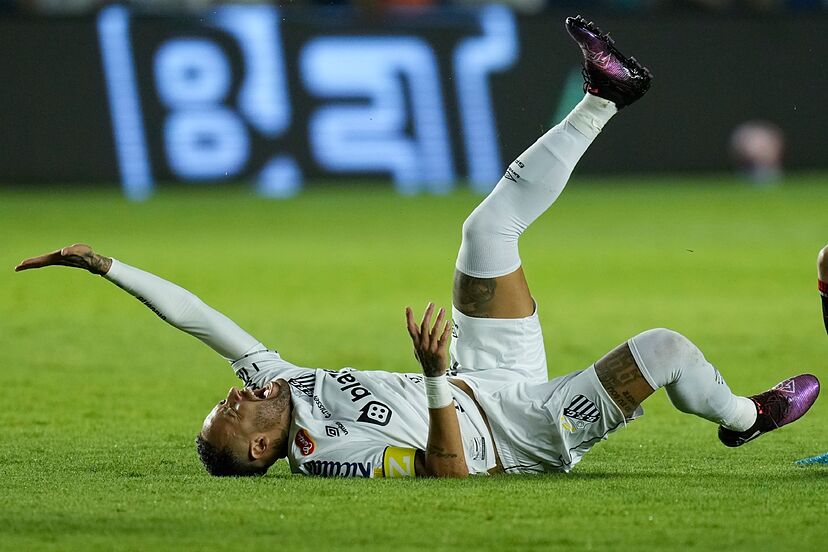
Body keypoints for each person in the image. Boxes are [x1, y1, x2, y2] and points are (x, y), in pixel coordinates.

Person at [16, 16, 820, 478]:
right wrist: (434, 376)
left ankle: (607, 97)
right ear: (263, 447)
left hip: (481, 377)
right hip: (520, 435)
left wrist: (107, 267)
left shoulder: (283, 387)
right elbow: (448, 474)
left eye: (228, 399)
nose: (233, 395)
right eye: (232, 415)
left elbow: (203, 322)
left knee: (485, 232)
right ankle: (746, 418)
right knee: (668, 348)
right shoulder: (325, 451)